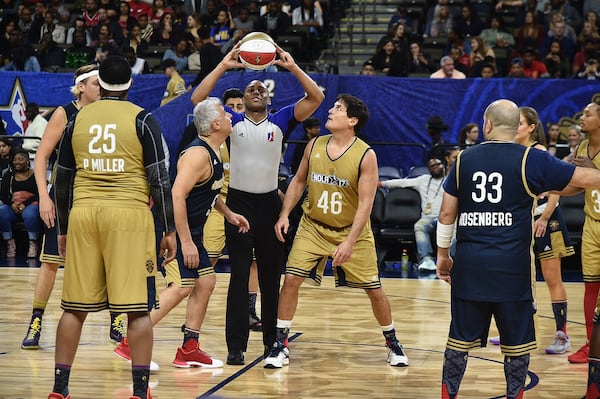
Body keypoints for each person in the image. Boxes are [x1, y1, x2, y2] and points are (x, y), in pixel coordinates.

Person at [435, 99, 600, 399]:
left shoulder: (463, 159)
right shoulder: (531, 160)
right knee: (517, 347)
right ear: (516, 127)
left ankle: (449, 395)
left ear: (487, 125)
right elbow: (586, 180)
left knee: (458, 342)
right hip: (512, 269)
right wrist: (584, 170)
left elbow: (446, 214)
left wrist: (443, 256)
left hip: (470, 266)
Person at [48, 55, 176, 399]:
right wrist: (168, 229)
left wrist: (62, 228)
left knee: (74, 308)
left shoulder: (77, 119)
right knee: (137, 309)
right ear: (130, 84)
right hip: (128, 216)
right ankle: (139, 392)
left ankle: (60, 389)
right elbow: (159, 179)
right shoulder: (143, 119)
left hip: (84, 215)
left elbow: (62, 179)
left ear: (100, 84)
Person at [191, 41, 324, 366]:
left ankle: (272, 345)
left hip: (268, 207)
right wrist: (223, 65)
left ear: (268, 98)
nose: (255, 90)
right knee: (238, 277)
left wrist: (291, 66)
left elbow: (317, 98)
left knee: (269, 279)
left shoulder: (280, 120)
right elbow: (197, 100)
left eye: (260, 88)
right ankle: (235, 346)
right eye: (251, 87)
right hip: (237, 204)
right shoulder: (231, 121)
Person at [264, 94, 409, 369]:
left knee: (374, 290)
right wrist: (284, 215)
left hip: (350, 229)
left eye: (338, 108)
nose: (330, 110)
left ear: (352, 120)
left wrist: (350, 241)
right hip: (313, 226)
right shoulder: (314, 145)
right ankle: (280, 344)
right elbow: (298, 181)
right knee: (291, 279)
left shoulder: (366, 155)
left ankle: (392, 341)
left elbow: (366, 204)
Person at [21, 65, 126, 351]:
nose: (100, 88)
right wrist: (45, 197)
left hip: (100, 194)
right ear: (81, 87)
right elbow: (41, 157)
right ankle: (36, 320)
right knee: (51, 261)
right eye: (95, 83)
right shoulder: (65, 113)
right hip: (66, 197)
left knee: (110, 259)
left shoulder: (110, 111)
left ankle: (117, 317)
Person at [167, 96, 248, 369]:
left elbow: (209, 191)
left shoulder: (215, 149)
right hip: (179, 232)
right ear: (215, 124)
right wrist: (186, 242)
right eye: (226, 113)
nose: (230, 116)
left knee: (206, 282)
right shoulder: (198, 154)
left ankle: (189, 348)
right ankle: (131, 342)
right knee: (181, 287)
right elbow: (176, 196)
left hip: (193, 231)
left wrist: (229, 214)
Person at [489, 106, 574, 355]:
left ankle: (562, 335)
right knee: (518, 277)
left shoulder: (539, 153)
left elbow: (557, 190)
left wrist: (544, 217)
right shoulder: (514, 152)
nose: (514, 128)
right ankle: (513, 330)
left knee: (551, 278)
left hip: (545, 221)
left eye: (520, 123)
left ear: (531, 128)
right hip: (522, 222)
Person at [202, 88, 264, 332]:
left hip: (246, 204)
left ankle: (249, 311)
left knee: (254, 261)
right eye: (231, 107)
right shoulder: (211, 138)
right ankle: (195, 312)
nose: (236, 111)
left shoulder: (253, 136)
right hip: (217, 205)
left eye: (240, 106)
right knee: (208, 259)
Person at [569, 103, 600, 366]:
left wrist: (592, 169)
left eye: (588, 114)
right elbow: (578, 186)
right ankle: (591, 345)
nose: (582, 117)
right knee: (590, 286)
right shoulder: (580, 147)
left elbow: (592, 176)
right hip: (591, 223)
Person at [377, 157, 446, 272]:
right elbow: (402, 182)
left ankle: (452, 260)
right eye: (431, 166)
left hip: (445, 217)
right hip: (427, 217)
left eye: (437, 164)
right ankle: (427, 260)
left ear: (443, 165)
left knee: (455, 229)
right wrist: (381, 183)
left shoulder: (450, 180)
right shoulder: (423, 180)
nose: (435, 167)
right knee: (419, 225)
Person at [0, 148, 40, 258]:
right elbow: (3, 195)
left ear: (27, 161)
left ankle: (33, 243)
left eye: (20, 159)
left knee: (30, 213)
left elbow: (40, 194)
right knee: (2, 211)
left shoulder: (35, 175)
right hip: (13, 207)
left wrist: (25, 204)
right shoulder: (8, 175)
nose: (17, 162)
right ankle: (10, 243)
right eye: (15, 159)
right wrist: (12, 204)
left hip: (31, 206)